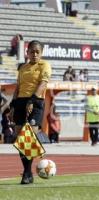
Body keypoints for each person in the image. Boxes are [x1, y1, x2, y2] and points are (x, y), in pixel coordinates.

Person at [9, 40, 52, 184]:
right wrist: (13, 105)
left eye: (37, 52)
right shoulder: (23, 68)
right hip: (20, 102)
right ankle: (28, 172)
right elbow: (18, 87)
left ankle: (27, 173)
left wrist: (32, 101)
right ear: (27, 52)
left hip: (36, 101)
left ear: (41, 53)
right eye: (32, 51)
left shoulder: (44, 65)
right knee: (20, 138)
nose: (34, 54)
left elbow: (43, 84)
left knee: (30, 135)